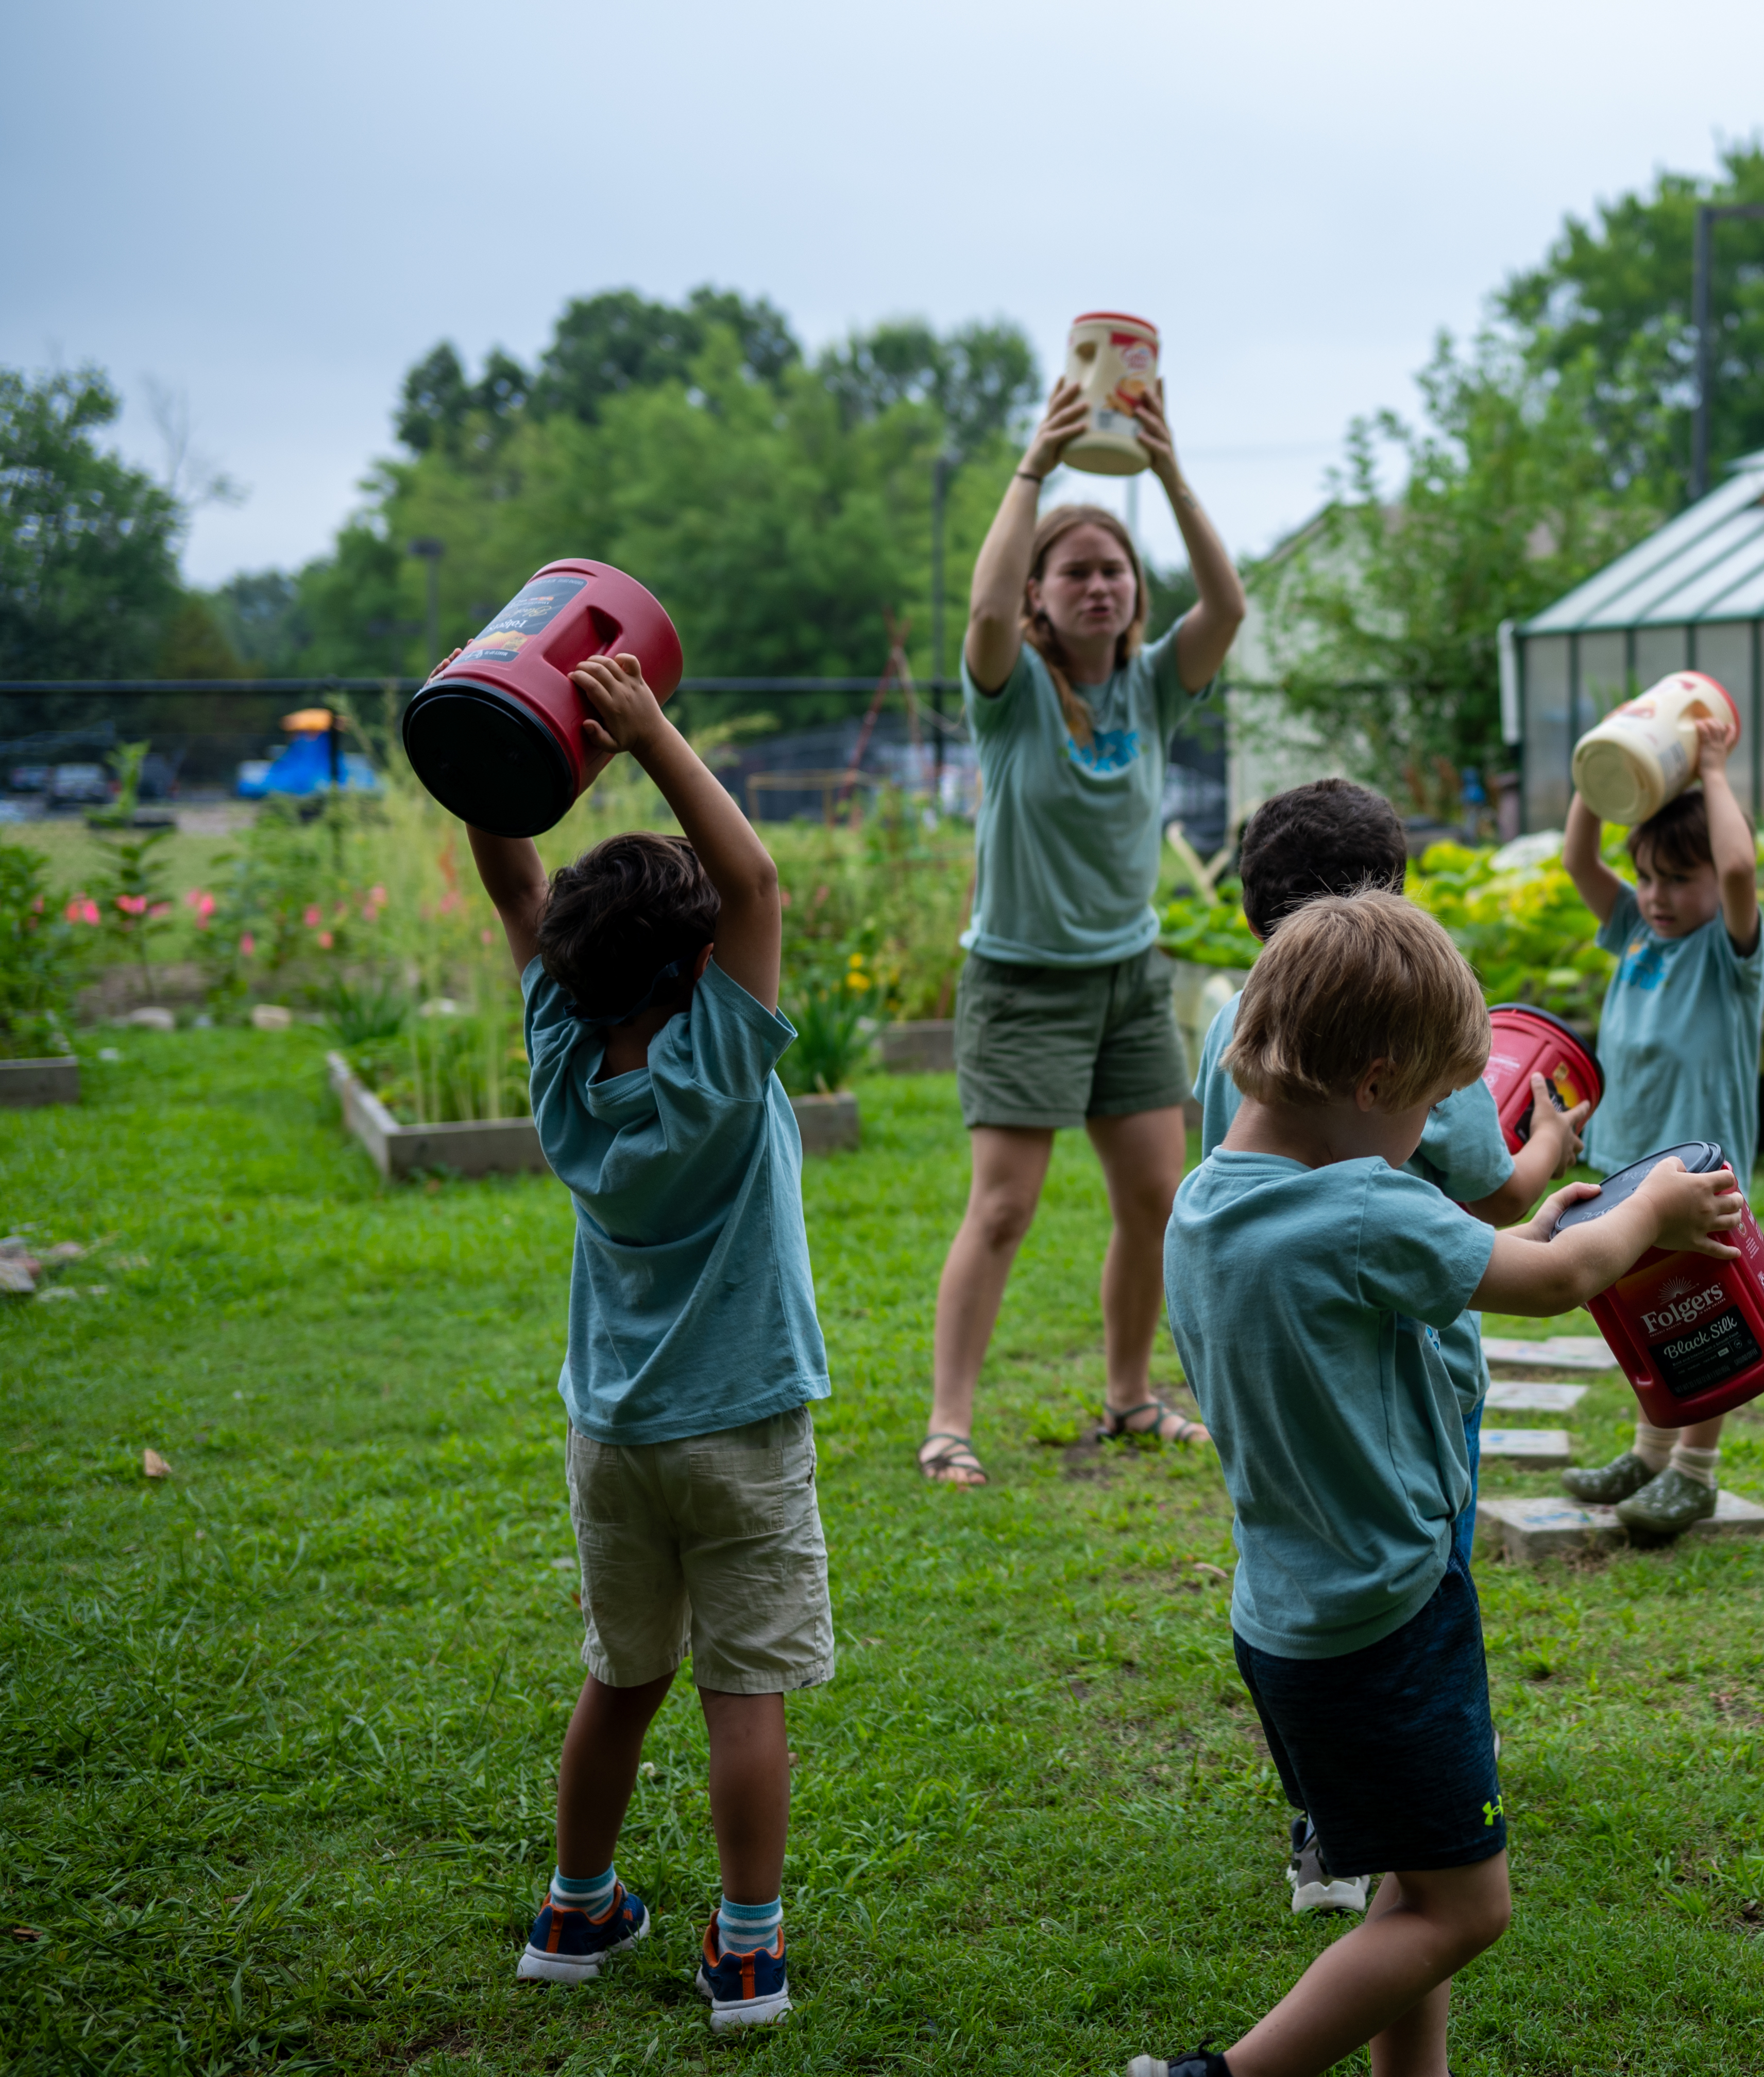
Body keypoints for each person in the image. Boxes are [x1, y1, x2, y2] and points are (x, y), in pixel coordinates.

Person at [1144, 890, 1742, 2077]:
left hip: (1288, 1618)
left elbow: (1462, 1260)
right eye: (1426, 1108)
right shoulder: (1365, 1204)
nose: (1427, 1137)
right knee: (1467, 1909)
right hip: (1388, 1619)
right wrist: (1656, 1211)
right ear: (1371, 1083)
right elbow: (1563, 1280)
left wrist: (1550, 1222)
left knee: (1412, 1890)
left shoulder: (1208, 1202)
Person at [465, 652, 830, 2032]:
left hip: (611, 1437)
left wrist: (498, 751)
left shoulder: (564, 1057)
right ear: (695, 966)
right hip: (739, 1427)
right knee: (745, 1690)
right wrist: (652, 733)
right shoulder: (720, 1063)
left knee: (623, 1677)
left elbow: (513, 883)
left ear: (571, 965)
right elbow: (759, 886)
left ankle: (576, 1907)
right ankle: (745, 1949)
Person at [1189, 778, 1590, 1915]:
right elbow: (1492, 1202)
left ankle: (1328, 1830)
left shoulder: (1235, 1040)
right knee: (1427, 1591)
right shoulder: (1396, 1049)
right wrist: (1561, 1157)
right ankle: (1422, 1808)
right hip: (1404, 1414)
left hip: (1282, 1474)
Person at [920, 370, 1247, 1486]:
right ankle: (950, 1423)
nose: (1099, 586)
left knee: (1156, 1200)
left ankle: (1129, 1398)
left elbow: (1231, 604)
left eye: (1114, 570)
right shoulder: (1007, 694)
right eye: (1075, 573)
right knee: (1005, 1207)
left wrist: (1165, 469)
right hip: (1021, 984)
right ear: (1041, 600)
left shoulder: (1154, 690)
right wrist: (1034, 468)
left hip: (1126, 980)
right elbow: (978, 609)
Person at [1553, 716, 1764, 1536]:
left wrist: (1711, 768)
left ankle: (1695, 1473)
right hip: (1628, 1166)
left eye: (1680, 878)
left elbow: (1742, 863)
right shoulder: (1639, 935)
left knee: (1707, 1317)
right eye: (1647, 876)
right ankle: (1648, 1456)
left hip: (1698, 1175)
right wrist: (1604, 772)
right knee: (1647, 1313)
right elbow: (1579, 858)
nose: (1657, 896)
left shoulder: (1730, 955)